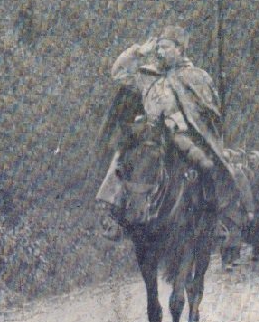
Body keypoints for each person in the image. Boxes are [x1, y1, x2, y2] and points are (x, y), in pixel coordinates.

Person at [95, 25, 246, 237]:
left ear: (180, 49)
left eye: (165, 47)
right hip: (150, 132)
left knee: (206, 165)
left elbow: (210, 113)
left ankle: (216, 220)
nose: (160, 52)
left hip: (183, 134)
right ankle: (111, 212)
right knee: (122, 155)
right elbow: (117, 74)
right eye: (158, 48)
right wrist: (138, 52)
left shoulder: (197, 76)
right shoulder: (147, 75)